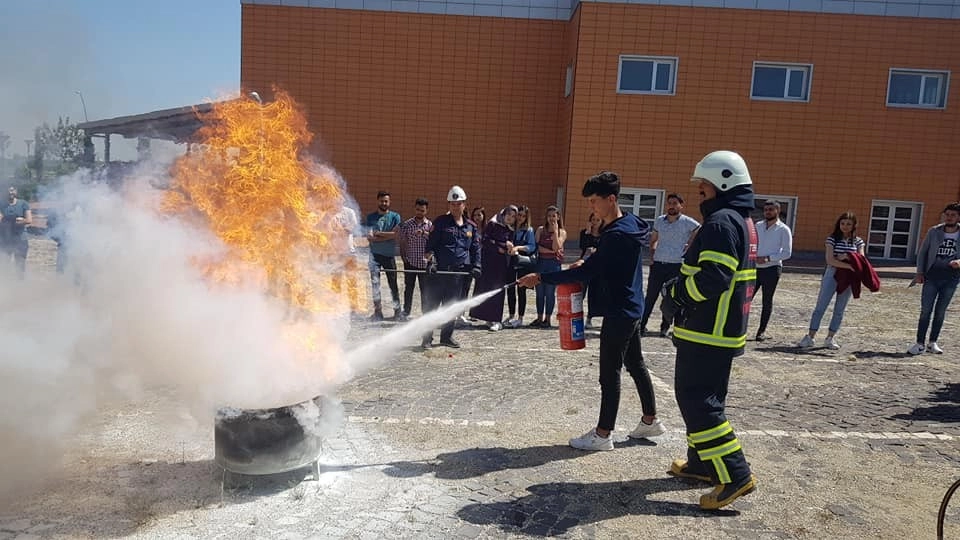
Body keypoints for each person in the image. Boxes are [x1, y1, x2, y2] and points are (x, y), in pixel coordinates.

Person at [519, 172, 663, 451]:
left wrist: (541, 278)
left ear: (611, 199)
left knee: (610, 374)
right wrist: (591, 260)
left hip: (619, 311)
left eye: (595, 201)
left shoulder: (617, 235)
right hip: (632, 307)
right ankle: (650, 420)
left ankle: (603, 434)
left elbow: (588, 272)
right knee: (636, 364)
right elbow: (602, 264)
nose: (591, 208)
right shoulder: (631, 223)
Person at [661, 150, 757, 510]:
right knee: (706, 398)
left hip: (707, 330)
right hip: (719, 331)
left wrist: (677, 295)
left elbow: (714, 277)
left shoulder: (720, 223)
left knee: (697, 400)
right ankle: (702, 463)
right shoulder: (739, 220)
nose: (699, 197)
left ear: (723, 184)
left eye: (703, 191)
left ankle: (735, 475)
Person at [421, 185, 481, 349]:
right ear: (449, 205)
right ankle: (427, 339)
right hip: (438, 273)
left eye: (459, 203)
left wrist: (477, 266)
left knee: (451, 308)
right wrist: (431, 260)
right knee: (432, 307)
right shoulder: (440, 223)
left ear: (464, 204)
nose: (456, 206)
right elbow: (429, 247)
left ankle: (446, 337)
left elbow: (476, 249)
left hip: (457, 275)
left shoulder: (471, 227)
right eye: (452, 204)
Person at [797, 211, 865, 350]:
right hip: (832, 274)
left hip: (849, 278)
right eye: (842, 223)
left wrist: (846, 255)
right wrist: (849, 264)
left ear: (853, 226)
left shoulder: (858, 241)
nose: (845, 226)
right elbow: (830, 260)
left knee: (840, 309)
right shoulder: (832, 239)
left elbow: (861, 259)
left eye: (848, 224)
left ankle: (830, 337)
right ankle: (810, 336)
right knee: (821, 306)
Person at [640, 193, 700, 337]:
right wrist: (652, 253)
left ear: (681, 205)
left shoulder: (687, 222)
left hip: (676, 265)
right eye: (669, 203)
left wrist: (690, 245)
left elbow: (699, 231)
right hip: (659, 264)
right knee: (650, 296)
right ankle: (641, 326)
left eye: (674, 203)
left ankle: (664, 327)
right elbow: (653, 238)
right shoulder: (660, 220)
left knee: (670, 297)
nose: (671, 206)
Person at [907, 202, 960, 355]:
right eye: (947, 214)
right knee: (925, 310)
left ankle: (933, 342)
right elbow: (923, 252)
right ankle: (919, 343)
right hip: (932, 276)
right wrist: (919, 273)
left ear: (958, 217)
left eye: (953, 215)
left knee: (940, 311)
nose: (949, 218)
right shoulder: (934, 231)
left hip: (951, 278)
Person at [469, 206, 517, 331]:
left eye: (513, 217)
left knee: (498, 290)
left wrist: (510, 248)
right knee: (485, 288)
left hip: (501, 264)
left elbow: (509, 245)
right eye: (509, 215)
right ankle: (486, 318)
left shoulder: (510, 230)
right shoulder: (493, 224)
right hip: (488, 261)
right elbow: (485, 240)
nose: (510, 218)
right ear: (504, 213)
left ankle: (496, 319)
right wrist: (498, 247)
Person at [752, 199, 793, 341]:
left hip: (772, 269)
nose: (768, 212)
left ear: (778, 210)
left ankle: (761, 331)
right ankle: (738, 328)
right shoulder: (757, 226)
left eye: (771, 209)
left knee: (766, 300)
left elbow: (787, 253)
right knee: (745, 298)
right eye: (766, 209)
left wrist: (768, 258)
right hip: (754, 268)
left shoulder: (784, 229)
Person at [366, 191, 402, 320]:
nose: (384, 203)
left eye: (386, 201)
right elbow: (369, 236)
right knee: (375, 284)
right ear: (378, 201)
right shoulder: (371, 217)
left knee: (393, 284)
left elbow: (396, 235)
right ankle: (378, 312)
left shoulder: (395, 217)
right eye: (382, 201)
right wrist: (386, 235)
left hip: (389, 255)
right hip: (374, 256)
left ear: (389, 202)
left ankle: (397, 312)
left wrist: (378, 235)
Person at [397, 198, 433, 320]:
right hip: (410, 262)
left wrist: (424, 233)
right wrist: (403, 257)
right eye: (418, 209)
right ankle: (406, 311)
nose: (419, 212)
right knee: (408, 288)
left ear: (426, 210)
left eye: (422, 210)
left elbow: (434, 242)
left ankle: (426, 312)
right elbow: (402, 242)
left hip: (424, 263)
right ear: (414, 208)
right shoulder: (407, 224)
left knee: (425, 290)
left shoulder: (430, 225)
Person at [530, 206, 566, 328]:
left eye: (553, 216)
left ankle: (548, 319)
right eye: (549, 216)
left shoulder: (562, 232)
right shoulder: (540, 230)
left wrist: (555, 232)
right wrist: (551, 251)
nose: (551, 218)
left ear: (558, 217)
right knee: (539, 293)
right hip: (541, 264)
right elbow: (536, 247)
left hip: (554, 265)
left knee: (550, 293)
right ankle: (539, 318)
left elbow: (557, 247)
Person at [505, 205, 536, 328]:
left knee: (521, 290)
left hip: (522, 263)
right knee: (510, 289)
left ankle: (520, 317)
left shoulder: (528, 230)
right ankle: (511, 315)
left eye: (524, 216)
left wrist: (518, 247)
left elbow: (532, 247)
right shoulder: (510, 228)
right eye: (519, 215)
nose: (521, 218)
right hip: (511, 262)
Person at [0, 186, 32, 278]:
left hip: (20, 239)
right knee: (4, 263)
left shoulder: (23, 204)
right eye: (9, 190)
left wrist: (22, 220)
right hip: (5, 239)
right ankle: (6, 285)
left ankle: (19, 285)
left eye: (12, 190)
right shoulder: (1, 204)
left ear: (16, 191)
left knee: (20, 264)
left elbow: (29, 220)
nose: (11, 192)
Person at [577, 213, 602, 328]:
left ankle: (589, 318)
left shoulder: (604, 234)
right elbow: (583, 246)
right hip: (585, 265)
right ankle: (577, 316)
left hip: (597, 266)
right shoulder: (584, 233)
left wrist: (597, 251)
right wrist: (587, 232)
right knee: (581, 292)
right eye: (593, 220)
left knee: (593, 293)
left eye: (597, 220)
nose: (595, 222)